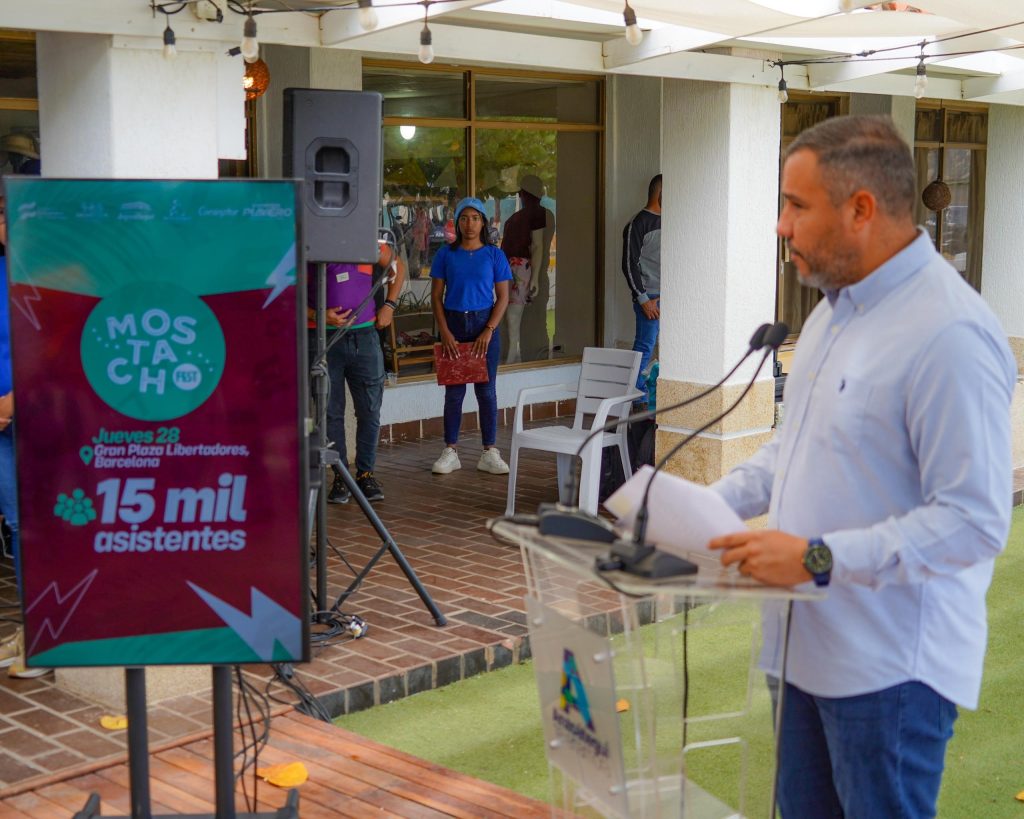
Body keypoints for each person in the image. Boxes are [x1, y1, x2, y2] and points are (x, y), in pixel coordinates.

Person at [706, 116, 1016, 818]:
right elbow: (795, 449)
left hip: (889, 671)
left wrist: (815, 558)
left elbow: (972, 521)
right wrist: (697, 508)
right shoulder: (829, 314)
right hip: (801, 649)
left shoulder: (949, 333)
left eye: (796, 205)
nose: (781, 226)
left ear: (861, 209)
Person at [309, 241, 405, 503]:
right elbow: (287, 294)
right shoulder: (310, 241)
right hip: (323, 339)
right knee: (330, 412)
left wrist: (390, 306)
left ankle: (365, 474)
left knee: (370, 410)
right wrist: (318, 314)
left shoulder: (368, 241)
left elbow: (398, 267)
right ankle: (341, 477)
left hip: (365, 337)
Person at [430, 197, 512, 476]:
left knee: (486, 391)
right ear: (456, 223)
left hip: (483, 324)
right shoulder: (445, 255)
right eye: (464, 218)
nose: (470, 224)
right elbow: (436, 297)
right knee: (454, 392)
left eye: (475, 218)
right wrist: (445, 331)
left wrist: (489, 330)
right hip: (453, 324)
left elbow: (503, 297)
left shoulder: (494, 255)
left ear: (483, 222)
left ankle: (489, 451)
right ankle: (450, 451)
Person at [0, 194, 47, 678]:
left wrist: (15, 399)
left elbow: (56, 343)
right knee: (18, 526)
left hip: (43, 418)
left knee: (45, 525)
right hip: (2, 425)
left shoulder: (55, 274)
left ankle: (50, 637)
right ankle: (32, 630)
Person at [500, 175, 554, 365]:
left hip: (520, 270)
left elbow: (538, 246)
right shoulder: (536, 214)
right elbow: (537, 246)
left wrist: (535, 277)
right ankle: (516, 357)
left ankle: (516, 358)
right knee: (515, 317)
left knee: (514, 317)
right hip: (519, 270)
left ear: (522, 194)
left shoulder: (525, 216)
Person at [621, 174, 661, 403]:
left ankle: (655, 396)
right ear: (660, 193)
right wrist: (643, 299)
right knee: (645, 346)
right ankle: (636, 399)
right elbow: (628, 264)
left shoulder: (673, 220)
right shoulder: (638, 223)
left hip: (670, 295)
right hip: (650, 297)